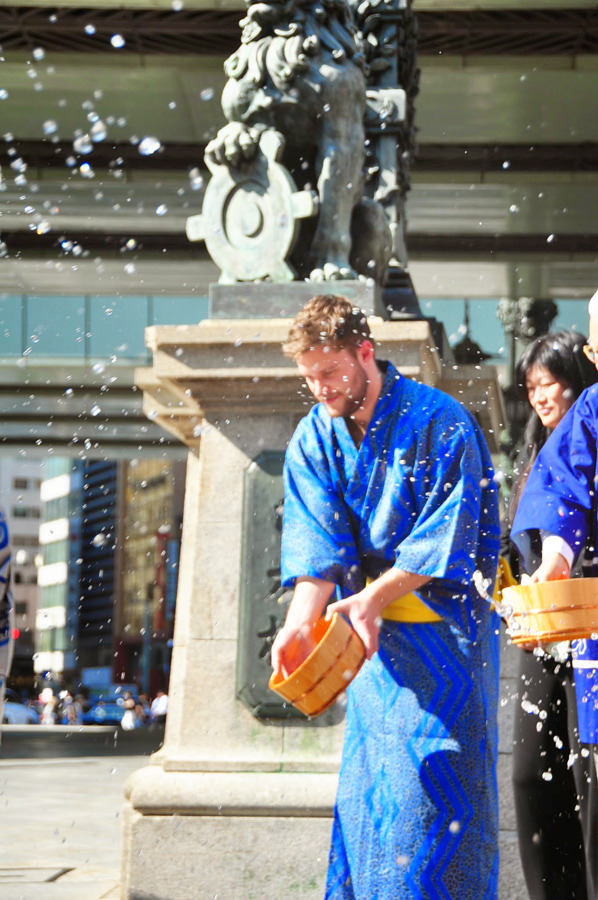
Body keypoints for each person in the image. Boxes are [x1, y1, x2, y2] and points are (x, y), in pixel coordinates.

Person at [271, 294, 501, 899]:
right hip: (369, 640)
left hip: (444, 634)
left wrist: (372, 598)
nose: (319, 387)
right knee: (370, 798)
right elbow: (318, 545)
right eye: (309, 376)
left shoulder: (442, 419)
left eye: (329, 371)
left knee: (436, 791)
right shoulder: (313, 437)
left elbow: (448, 535)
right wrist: (300, 621)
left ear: (364, 353)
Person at [511, 298, 598, 900]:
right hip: (565, 612)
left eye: (552, 383)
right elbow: (563, 492)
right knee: (547, 774)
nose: (543, 397)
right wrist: (556, 558)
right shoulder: (588, 417)